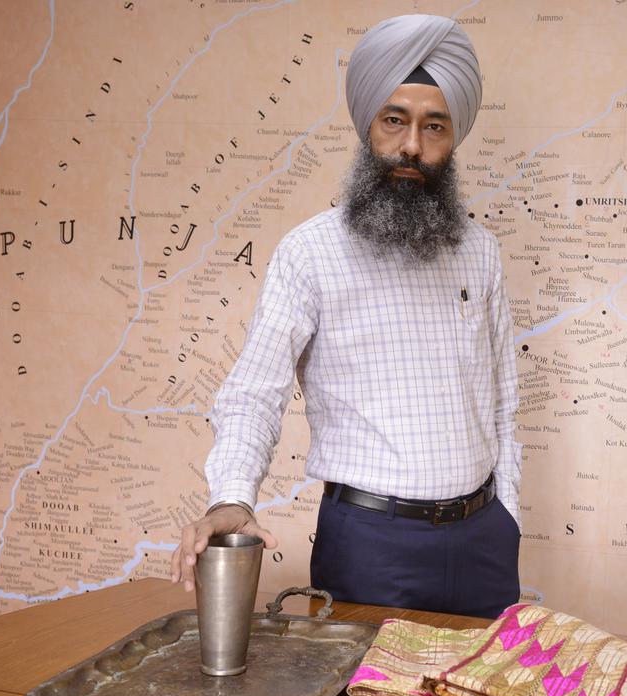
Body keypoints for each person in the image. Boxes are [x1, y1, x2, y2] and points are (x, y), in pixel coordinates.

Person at [170, 14, 522, 618]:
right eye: (395, 120)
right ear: (368, 126)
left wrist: (508, 514)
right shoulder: (308, 254)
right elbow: (255, 393)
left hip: (482, 541)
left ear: (453, 137)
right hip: (369, 547)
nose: (412, 145)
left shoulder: (480, 251)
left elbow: (503, 403)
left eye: (433, 126)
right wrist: (232, 497)